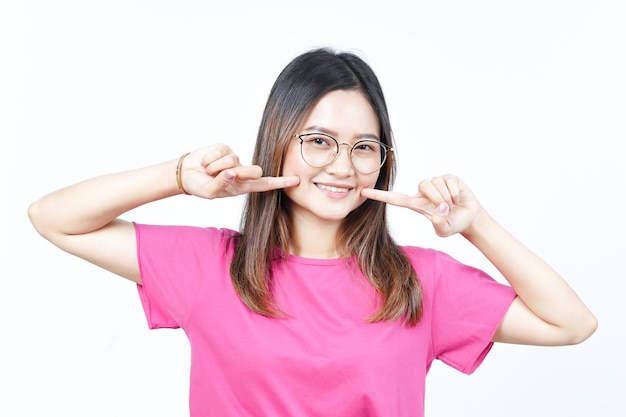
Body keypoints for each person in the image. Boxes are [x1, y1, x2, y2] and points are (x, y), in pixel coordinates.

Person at [28, 48, 597, 417]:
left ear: (382, 159)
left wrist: (478, 227)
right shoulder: (208, 266)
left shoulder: (421, 280)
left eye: (363, 147)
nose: (343, 167)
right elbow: (54, 218)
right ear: (279, 139)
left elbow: (571, 324)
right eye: (319, 140)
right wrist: (178, 177)